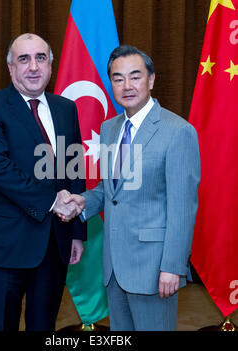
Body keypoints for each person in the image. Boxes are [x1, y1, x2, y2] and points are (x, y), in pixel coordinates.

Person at [62, 45, 201, 331]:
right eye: (118, 78)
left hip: (154, 267)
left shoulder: (178, 131)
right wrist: (82, 202)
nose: (127, 86)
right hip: (114, 266)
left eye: (135, 77)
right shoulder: (109, 128)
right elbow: (110, 190)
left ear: (151, 80)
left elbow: (183, 208)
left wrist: (173, 266)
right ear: (110, 83)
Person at [0, 33, 87, 331]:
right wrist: (52, 201)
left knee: (43, 326)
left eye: (40, 58)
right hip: (4, 245)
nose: (33, 66)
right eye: (24, 59)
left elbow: (73, 169)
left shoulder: (66, 108)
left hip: (54, 243)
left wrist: (76, 231)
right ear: (11, 68)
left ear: (50, 65)